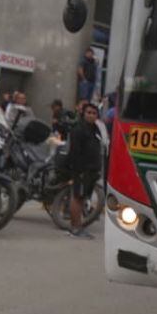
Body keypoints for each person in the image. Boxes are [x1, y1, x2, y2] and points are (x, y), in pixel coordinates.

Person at [66, 101, 103, 238]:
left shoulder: (95, 129)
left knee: (82, 198)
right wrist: (79, 170)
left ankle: (77, 226)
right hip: (82, 170)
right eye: (88, 113)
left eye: (94, 113)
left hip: (92, 170)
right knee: (77, 198)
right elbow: (75, 151)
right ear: (83, 114)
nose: (91, 115)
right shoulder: (79, 129)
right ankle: (75, 228)